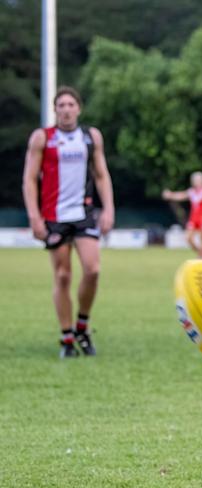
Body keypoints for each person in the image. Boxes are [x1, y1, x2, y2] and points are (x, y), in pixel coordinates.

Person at [22, 86, 115, 358]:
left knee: (93, 269)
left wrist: (108, 208)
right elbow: (29, 179)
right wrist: (34, 216)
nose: (65, 109)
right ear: (55, 110)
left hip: (83, 213)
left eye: (70, 104)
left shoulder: (90, 136)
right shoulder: (42, 138)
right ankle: (66, 339)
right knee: (63, 276)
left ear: (79, 108)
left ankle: (82, 327)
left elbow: (101, 175)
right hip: (54, 217)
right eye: (60, 105)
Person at [162, 171, 202, 259]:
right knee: (188, 238)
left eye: (198, 180)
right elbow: (181, 195)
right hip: (193, 218)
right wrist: (170, 195)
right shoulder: (191, 192)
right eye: (195, 180)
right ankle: (201, 253)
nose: (196, 182)